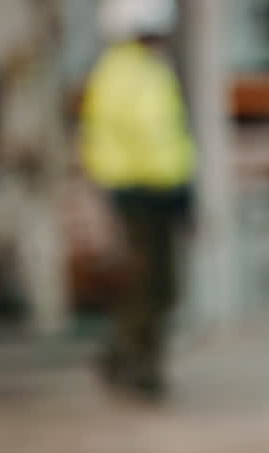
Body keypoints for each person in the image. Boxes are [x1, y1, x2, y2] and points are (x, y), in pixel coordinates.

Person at [81, 0, 193, 401]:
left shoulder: (137, 70)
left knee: (156, 286)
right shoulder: (130, 72)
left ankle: (125, 357)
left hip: (153, 192)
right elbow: (150, 138)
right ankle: (138, 366)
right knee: (149, 286)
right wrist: (175, 188)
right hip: (141, 195)